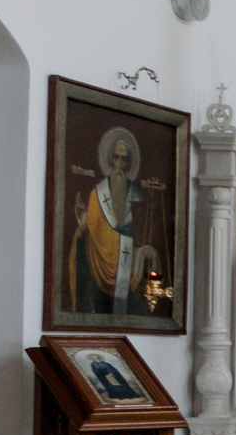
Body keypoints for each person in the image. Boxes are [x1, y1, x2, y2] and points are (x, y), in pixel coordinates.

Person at [68, 126, 166, 318]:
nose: (119, 165)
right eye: (116, 158)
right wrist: (82, 228)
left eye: (124, 159)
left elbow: (143, 237)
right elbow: (93, 241)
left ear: (130, 163)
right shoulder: (96, 195)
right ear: (109, 159)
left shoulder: (138, 197)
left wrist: (145, 251)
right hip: (100, 276)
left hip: (129, 274)